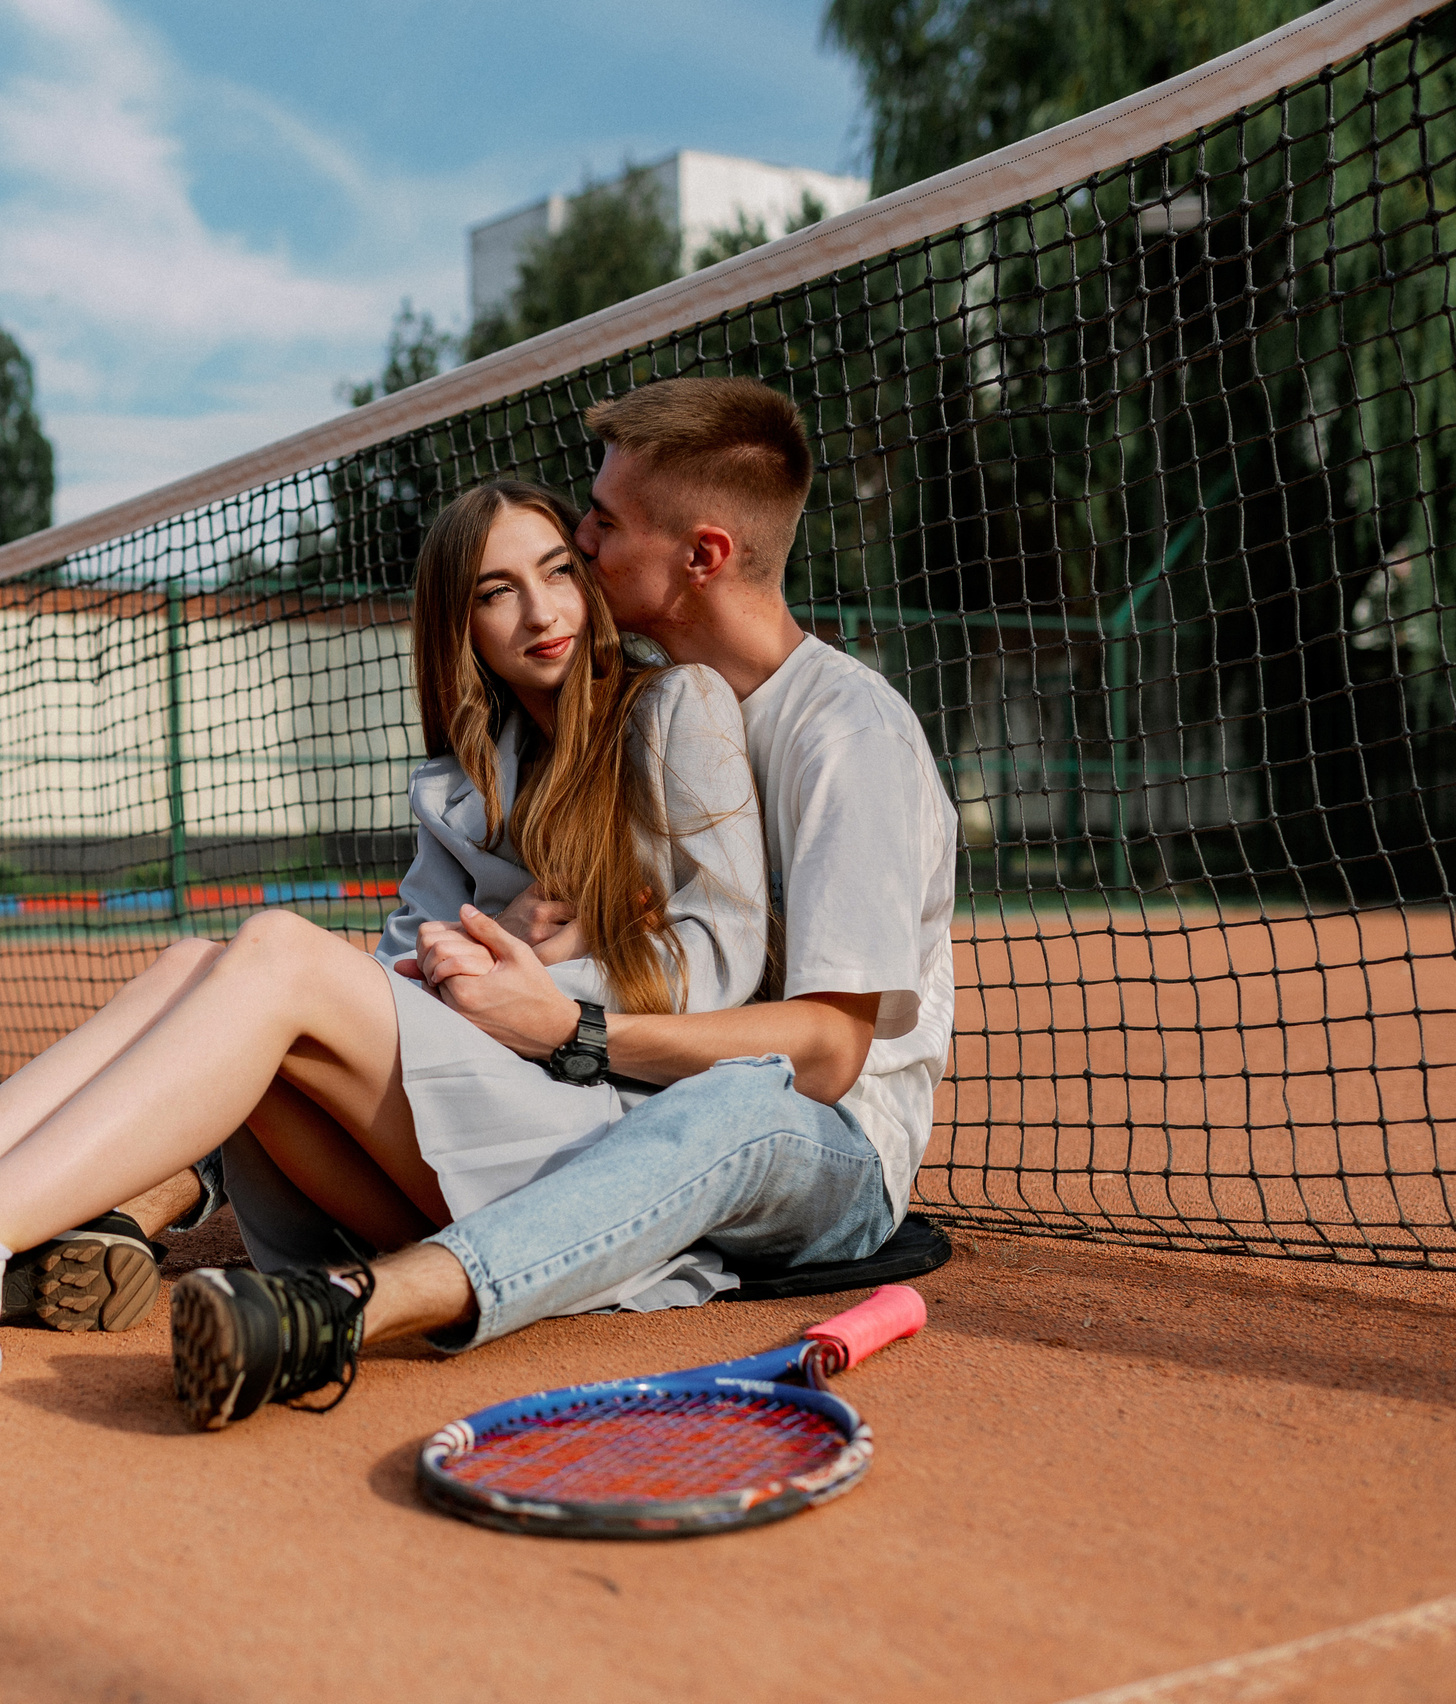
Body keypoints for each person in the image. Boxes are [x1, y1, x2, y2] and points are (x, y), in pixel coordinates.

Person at [0, 475, 768, 1394]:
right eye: (496, 590)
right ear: (456, 626)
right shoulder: (461, 784)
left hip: (596, 1152)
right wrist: (475, 947)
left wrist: (541, 969)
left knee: (266, 947)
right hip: (443, 1146)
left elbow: (724, 966)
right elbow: (396, 973)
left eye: (557, 571)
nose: (542, 609)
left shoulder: (676, 710)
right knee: (194, 966)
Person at [165, 373, 960, 1429]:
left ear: (702, 555)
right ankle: (159, 1200)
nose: (578, 544)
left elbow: (826, 1052)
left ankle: (350, 1311)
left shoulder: (841, 734)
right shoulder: (653, 719)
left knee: (738, 1099)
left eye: (600, 523)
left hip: (828, 1145)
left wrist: (574, 1028)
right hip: (656, 1096)